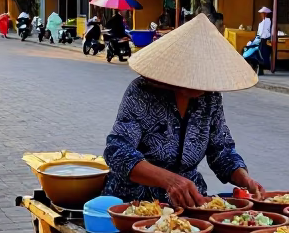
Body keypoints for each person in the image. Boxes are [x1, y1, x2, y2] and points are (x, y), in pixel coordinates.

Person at [104, 13, 264, 207]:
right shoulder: (142, 92)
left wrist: (245, 179)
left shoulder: (210, 99)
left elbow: (221, 150)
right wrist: (169, 180)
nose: (199, 83)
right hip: (136, 203)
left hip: (189, 202)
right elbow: (117, 152)